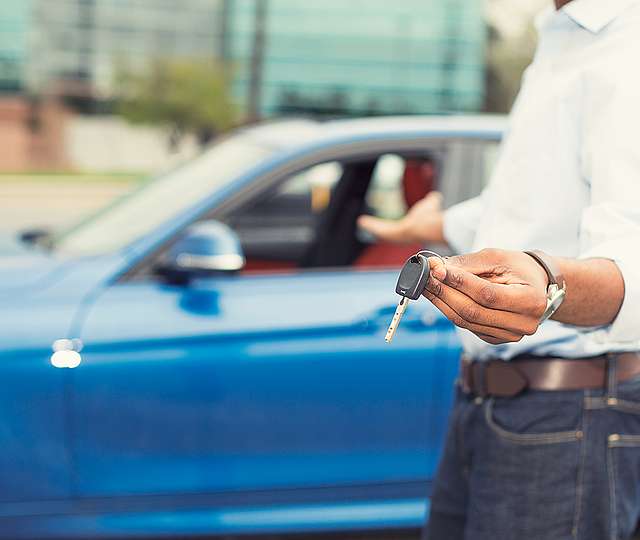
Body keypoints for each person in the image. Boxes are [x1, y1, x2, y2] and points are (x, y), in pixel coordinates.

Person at [358, 0, 640, 538]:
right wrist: (441, 222)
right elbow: (539, 209)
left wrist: (550, 285)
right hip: (489, 405)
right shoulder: (561, 38)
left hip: (568, 414)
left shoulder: (630, 48)